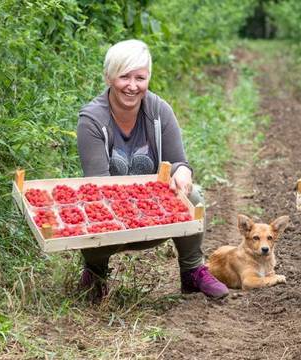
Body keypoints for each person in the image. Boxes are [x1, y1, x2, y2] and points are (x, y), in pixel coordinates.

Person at [76, 39, 228, 301]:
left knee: (193, 196)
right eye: (124, 77)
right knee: (89, 207)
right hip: (111, 211)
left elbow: (179, 161)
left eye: (140, 78)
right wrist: (135, 205)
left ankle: (192, 271)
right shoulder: (92, 120)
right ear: (109, 77)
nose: (132, 86)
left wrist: (182, 173)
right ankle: (96, 273)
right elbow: (98, 185)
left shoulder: (159, 111)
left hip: (153, 209)